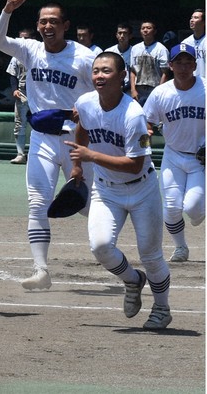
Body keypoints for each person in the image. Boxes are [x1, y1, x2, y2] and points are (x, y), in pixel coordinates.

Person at [0, 0, 96, 289]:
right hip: (42, 138)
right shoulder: (30, 50)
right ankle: (41, 270)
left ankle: (107, 226)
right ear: (37, 26)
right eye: (43, 21)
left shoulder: (84, 57)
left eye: (54, 21)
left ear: (66, 25)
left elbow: (105, 88)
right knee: (37, 202)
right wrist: (7, 9)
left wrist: (88, 105)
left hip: (76, 139)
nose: (47, 26)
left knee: (87, 205)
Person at [66, 51, 172, 330]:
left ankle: (161, 308)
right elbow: (82, 130)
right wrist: (77, 165)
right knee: (100, 246)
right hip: (106, 189)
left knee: (150, 254)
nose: (99, 76)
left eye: (107, 71)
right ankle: (133, 280)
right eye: (96, 71)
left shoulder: (134, 114)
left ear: (122, 76)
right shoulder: (85, 103)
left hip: (142, 189)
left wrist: (90, 157)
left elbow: (135, 165)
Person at [143, 44, 205, 263]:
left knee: (193, 209)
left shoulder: (205, 89)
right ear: (170, 65)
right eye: (178, 62)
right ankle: (181, 247)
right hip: (173, 155)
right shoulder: (161, 93)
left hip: (201, 159)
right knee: (171, 206)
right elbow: (146, 122)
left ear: (195, 65)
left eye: (188, 62)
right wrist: (145, 141)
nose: (183, 67)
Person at [7, 28, 34, 164]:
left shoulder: (38, 53)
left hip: (37, 93)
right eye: (21, 37)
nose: (23, 40)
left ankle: (37, 154)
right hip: (22, 92)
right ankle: (20, 154)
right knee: (19, 124)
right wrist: (14, 89)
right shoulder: (16, 55)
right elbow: (12, 74)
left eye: (26, 37)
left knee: (40, 122)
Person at [129, 20, 168, 107]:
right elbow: (132, 71)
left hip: (154, 88)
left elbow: (165, 73)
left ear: (154, 31)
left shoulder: (161, 49)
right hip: (138, 89)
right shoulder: (135, 48)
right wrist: (133, 89)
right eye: (143, 28)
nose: (145, 30)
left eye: (148, 28)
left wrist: (159, 91)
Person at [105, 23, 133, 91]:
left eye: (125, 33)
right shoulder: (109, 52)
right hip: (112, 87)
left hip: (129, 89)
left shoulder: (135, 51)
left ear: (130, 36)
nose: (122, 36)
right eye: (120, 33)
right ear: (116, 35)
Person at [181, 9, 205, 78]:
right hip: (191, 82)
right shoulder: (185, 43)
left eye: (196, 18)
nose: (192, 20)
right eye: (191, 17)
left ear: (204, 22)